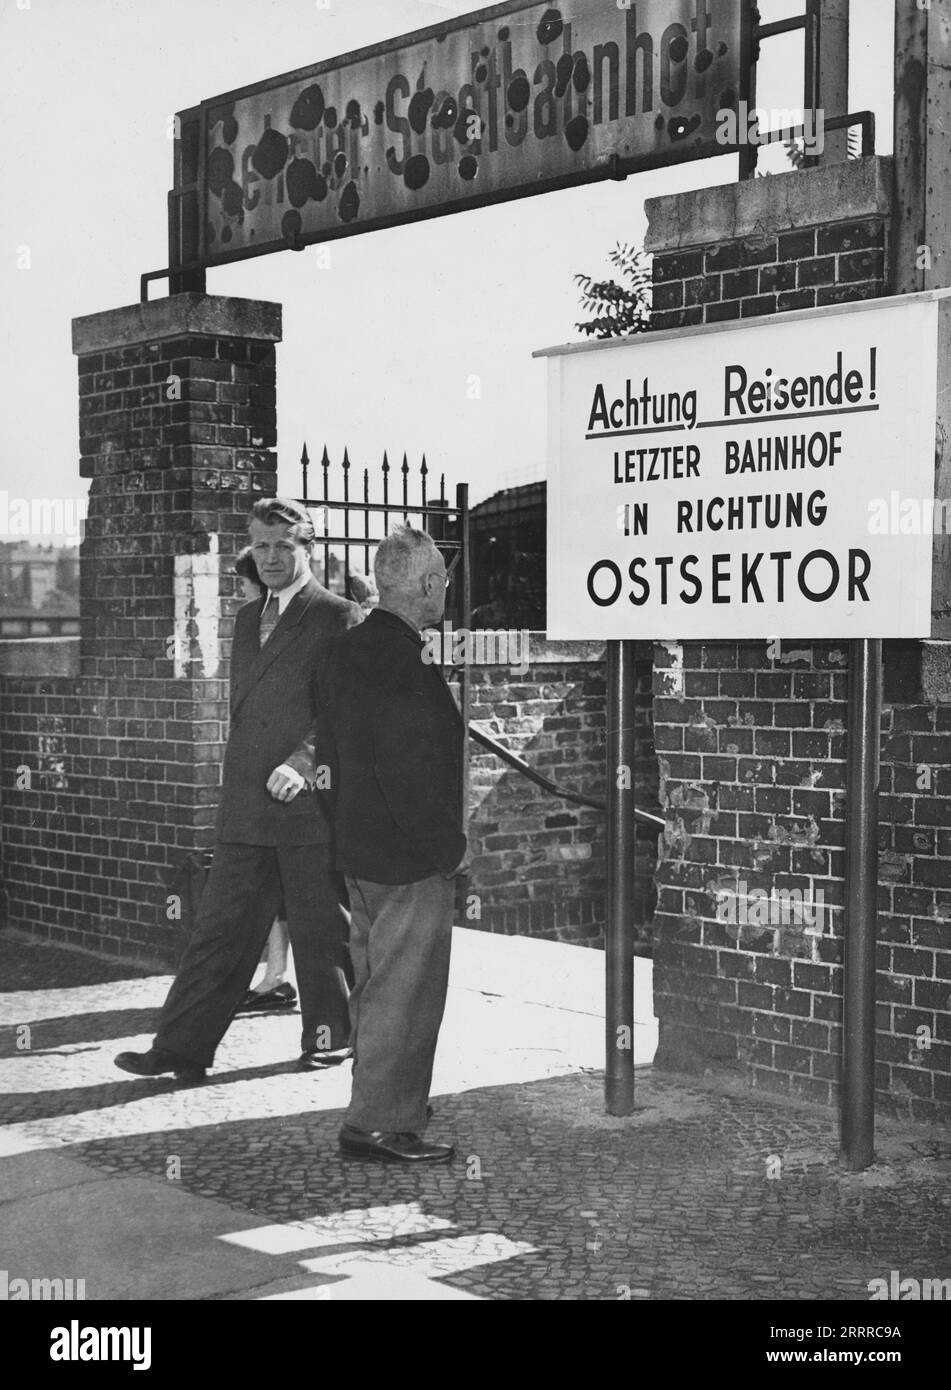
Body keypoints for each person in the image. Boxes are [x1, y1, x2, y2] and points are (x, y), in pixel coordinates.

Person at [115, 498, 361, 1082]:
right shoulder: (248, 619)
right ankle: (180, 1048)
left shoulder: (339, 616)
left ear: (309, 548)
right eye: (261, 546)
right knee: (219, 929)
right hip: (247, 803)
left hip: (306, 801)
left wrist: (304, 762)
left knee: (318, 927)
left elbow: (348, 712)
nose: (271, 557)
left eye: (285, 545)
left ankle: (331, 1037)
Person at [315, 525, 468, 1163]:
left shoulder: (343, 651)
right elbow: (407, 774)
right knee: (406, 993)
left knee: (376, 987)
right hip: (408, 861)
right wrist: (448, 851)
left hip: (357, 851)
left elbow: (330, 763)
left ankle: (382, 1103)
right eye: (444, 578)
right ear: (429, 586)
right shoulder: (407, 661)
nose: (447, 587)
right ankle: (378, 1124)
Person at [232, 546, 295, 1014]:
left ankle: (280, 978)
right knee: (279, 893)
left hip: (290, 785)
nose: (243, 594)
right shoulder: (254, 627)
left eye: (244, 584)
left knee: (296, 893)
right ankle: (276, 975)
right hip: (267, 781)